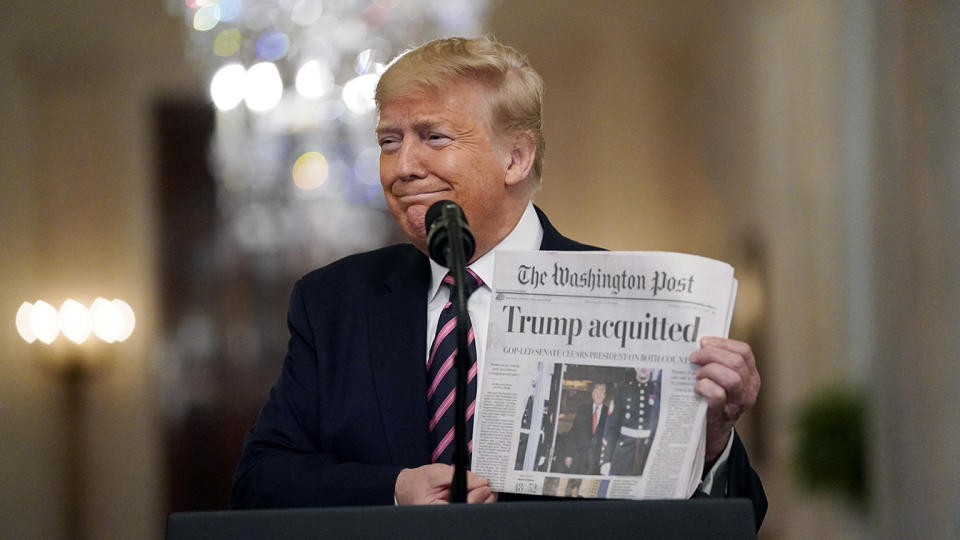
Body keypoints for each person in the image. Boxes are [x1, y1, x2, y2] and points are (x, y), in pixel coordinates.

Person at [231, 36, 766, 528]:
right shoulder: (334, 302)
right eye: (389, 141)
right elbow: (259, 482)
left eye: (433, 137)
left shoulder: (622, 298)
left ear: (515, 157)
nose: (403, 166)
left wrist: (712, 438)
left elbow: (735, 520)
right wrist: (393, 489)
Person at [601, 369, 661, 476]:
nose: (643, 368)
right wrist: (606, 460)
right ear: (635, 367)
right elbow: (612, 428)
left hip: (647, 451)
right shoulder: (622, 391)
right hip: (624, 450)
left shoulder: (658, 392)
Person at [562, 383, 608, 475]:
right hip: (580, 458)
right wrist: (569, 454)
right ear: (592, 395)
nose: (598, 395)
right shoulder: (583, 409)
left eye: (601, 393)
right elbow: (573, 432)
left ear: (604, 396)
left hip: (599, 461)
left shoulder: (609, 414)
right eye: (596, 392)